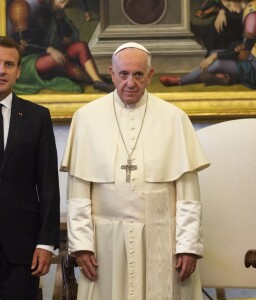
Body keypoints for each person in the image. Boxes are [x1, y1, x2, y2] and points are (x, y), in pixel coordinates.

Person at [61, 42, 210, 300]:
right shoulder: (86, 118)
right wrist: (82, 245)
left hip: (161, 234)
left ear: (149, 76)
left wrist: (187, 246)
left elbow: (188, 194)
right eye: (123, 74)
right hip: (105, 241)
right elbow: (78, 192)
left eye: (138, 75)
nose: (130, 83)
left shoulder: (174, 118)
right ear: (111, 73)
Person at [0, 36, 60, 299]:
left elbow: (47, 184)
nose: (1, 70)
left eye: (9, 64)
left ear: (19, 71)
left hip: (21, 246)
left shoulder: (37, 117)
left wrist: (46, 242)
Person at [160, 0, 256, 90]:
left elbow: (243, 52)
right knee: (214, 53)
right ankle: (227, 77)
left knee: (216, 61)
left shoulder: (254, 16)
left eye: (228, 5)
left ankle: (180, 81)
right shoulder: (255, 5)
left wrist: (215, 57)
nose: (229, 9)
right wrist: (222, 11)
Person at [7, 0, 113, 94]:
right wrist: (49, 49)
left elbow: (68, 40)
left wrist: (60, 19)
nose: (62, 7)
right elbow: (21, 44)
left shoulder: (55, 11)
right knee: (61, 59)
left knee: (81, 46)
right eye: (61, 2)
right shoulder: (23, 8)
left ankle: (97, 81)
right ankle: (93, 80)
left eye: (65, 5)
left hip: (52, 53)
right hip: (28, 60)